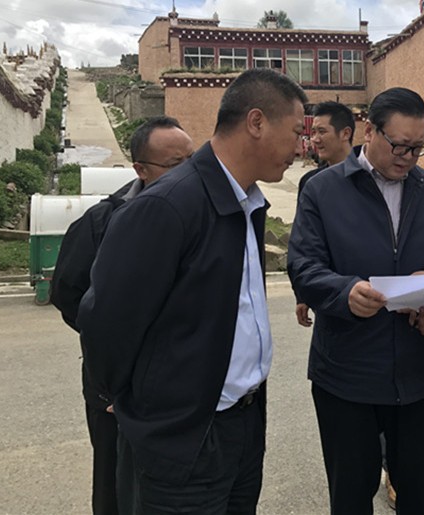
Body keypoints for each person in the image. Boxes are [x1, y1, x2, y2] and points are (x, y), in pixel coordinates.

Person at [77, 68, 307, 514]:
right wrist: (132, 404)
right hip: (183, 439)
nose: (301, 147)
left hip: (242, 425)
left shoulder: (246, 202)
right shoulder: (168, 206)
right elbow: (107, 319)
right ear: (256, 122)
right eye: (297, 132)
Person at [287, 87, 424, 515]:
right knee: (351, 494)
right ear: (369, 131)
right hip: (346, 374)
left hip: (419, 374)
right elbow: (303, 266)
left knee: (418, 494)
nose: (407, 157)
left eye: (417, 148)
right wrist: (344, 292)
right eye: (398, 145)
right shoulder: (323, 190)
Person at [50, 116, 193, 515]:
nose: (189, 172)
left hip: (179, 382)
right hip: (115, 386)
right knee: (116, 483)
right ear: (141, 170)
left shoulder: (200, 216)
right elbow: (69, 294)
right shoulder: (103, 220)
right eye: (176, 164)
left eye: (193, 160)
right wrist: (114, 349)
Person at [295, 101, 355, 328]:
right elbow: (302, 243)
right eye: (313, 133)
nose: (315, 139)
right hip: (325, 288)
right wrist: (302, 293)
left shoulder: (369, 179)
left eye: (322, 131)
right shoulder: (311, 183)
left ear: (345, 133)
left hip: (362, 289)